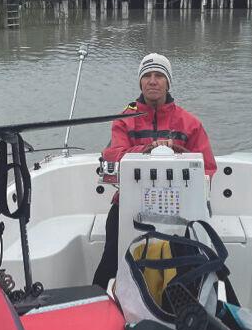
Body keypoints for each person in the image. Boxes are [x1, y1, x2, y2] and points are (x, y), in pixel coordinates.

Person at [93, 52, 217, 288]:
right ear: (140, 82)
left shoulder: (190, 123)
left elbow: (208, 168)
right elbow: (113, 155)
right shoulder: (124, 120)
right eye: (147, 75)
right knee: (111, 255)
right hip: (129, 202)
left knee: (202, 255)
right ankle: (99, 302)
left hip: (182, 205)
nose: (152, 81)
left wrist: (177, 150)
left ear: (168, 82)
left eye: (159, 75)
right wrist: (148, 148)